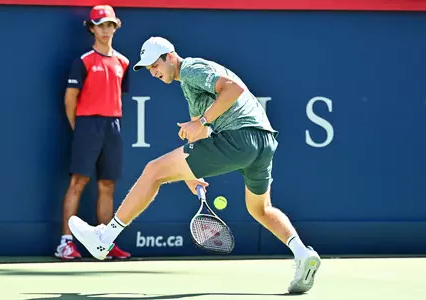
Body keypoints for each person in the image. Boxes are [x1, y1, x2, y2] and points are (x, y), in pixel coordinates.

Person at [68, 36, 321, 293]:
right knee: (261, 209)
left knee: (153, 171)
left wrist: (203, 121)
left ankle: (105, 238)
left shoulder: (190, 69)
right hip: (263, 143)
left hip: (239, 137)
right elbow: (199, 135)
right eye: (148, 68)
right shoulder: (189, 87)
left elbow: (233, 89)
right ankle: (303, 254)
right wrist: (190, 173)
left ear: (169, 56)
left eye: (155, 65)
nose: (153, 72)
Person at [54, 5, 131, 260]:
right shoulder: (84, 62)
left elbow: (118, 95)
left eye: (110, 25)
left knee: (108, 185)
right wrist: (80, 128)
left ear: (115, 27)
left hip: (113, 125)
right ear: (92, 28)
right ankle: (65, 243)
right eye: (100, 25)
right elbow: (70, 100)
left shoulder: (123, 62)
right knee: (78, 182)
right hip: (87, 124)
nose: (106, 30)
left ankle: (105, 243)